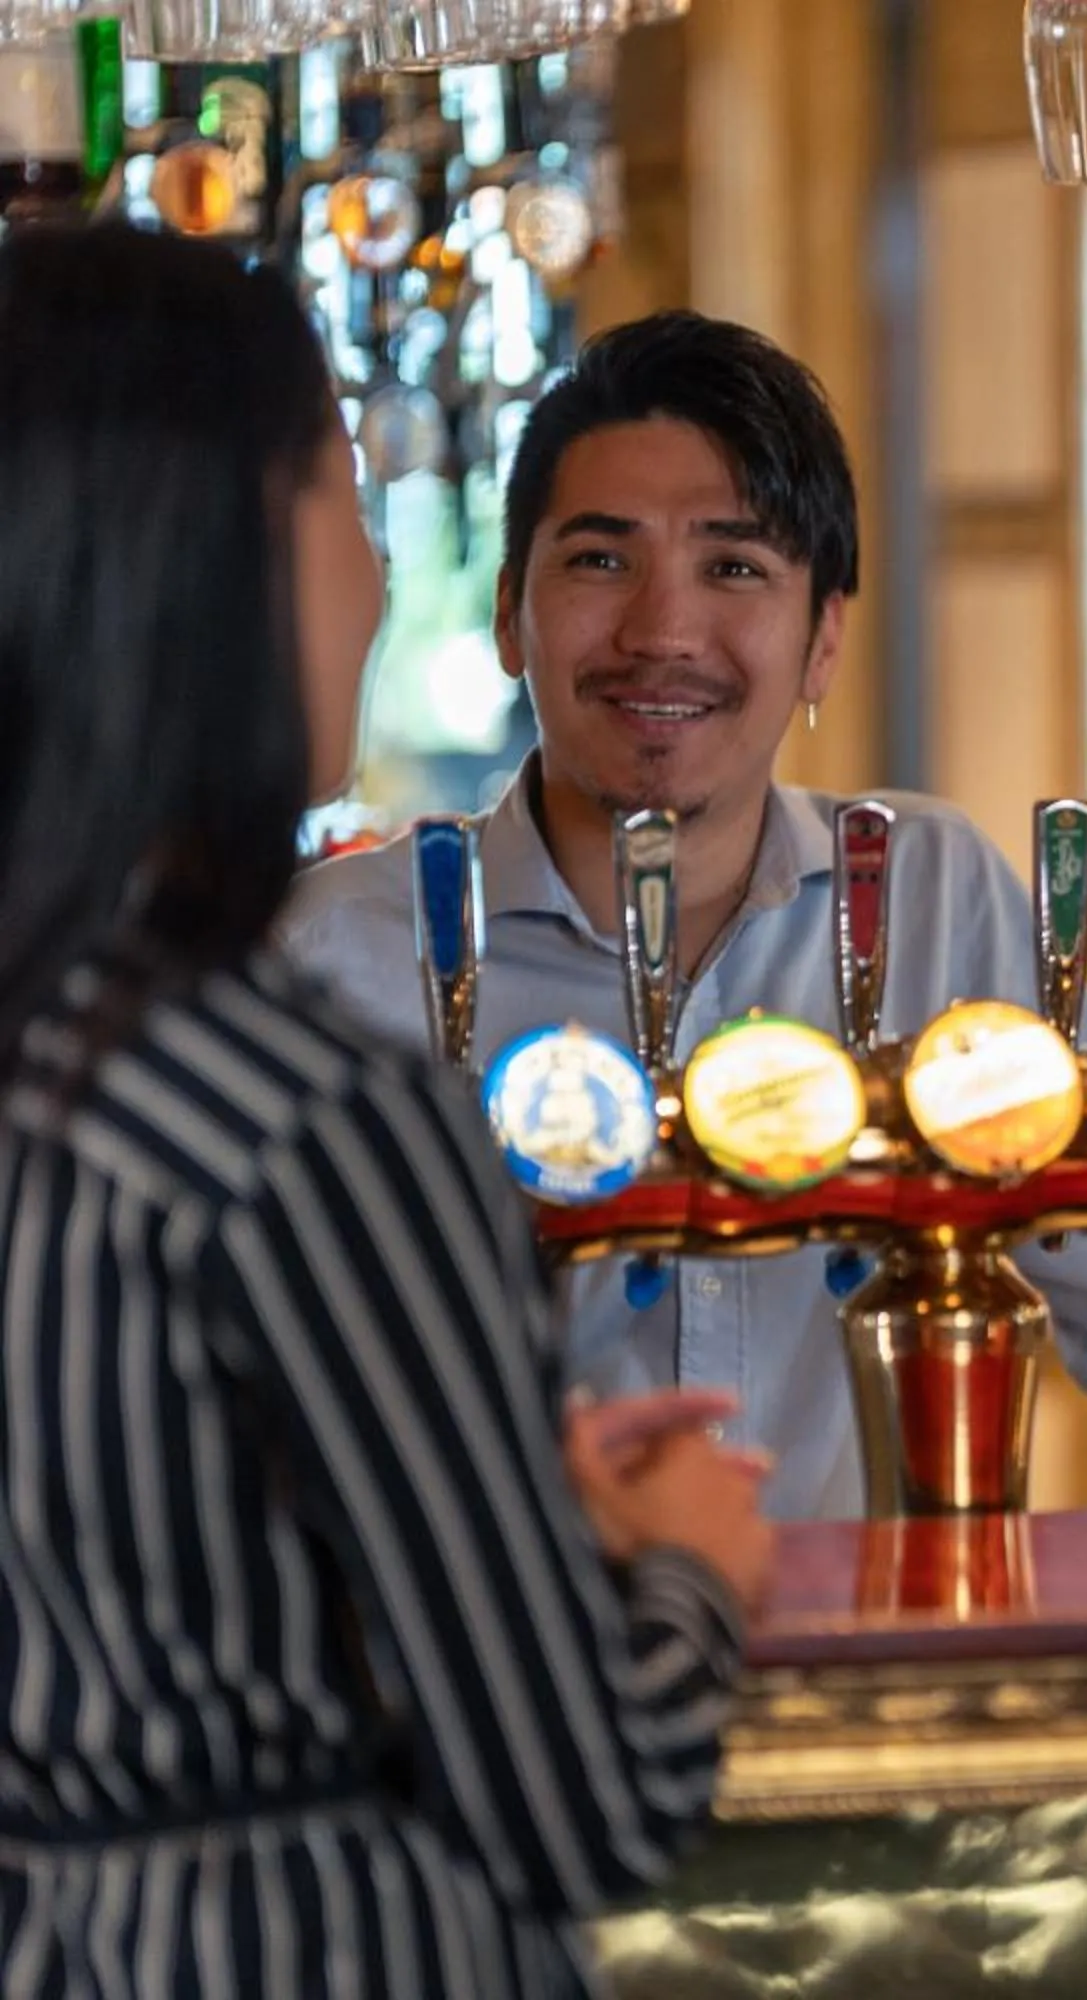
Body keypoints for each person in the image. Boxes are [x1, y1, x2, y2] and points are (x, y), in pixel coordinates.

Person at [0, 225, 774, 1993]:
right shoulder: (301, 1116)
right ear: (223, 559)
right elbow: (585, 1798)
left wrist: (467, 1468)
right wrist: (690, 1569)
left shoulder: (53, 1052)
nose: (377, 562)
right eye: (344, 498)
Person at [282, 311, 1087, 1520]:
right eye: (601, 559)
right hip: (503, 1634)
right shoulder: (333, 956)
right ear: (511, 614)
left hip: (874, 1637)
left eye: (735, 568)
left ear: (823, 640)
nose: (662, 632)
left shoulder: (933, 895)